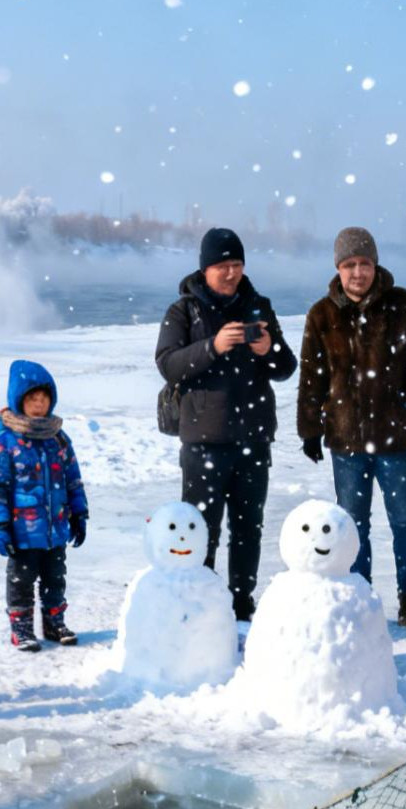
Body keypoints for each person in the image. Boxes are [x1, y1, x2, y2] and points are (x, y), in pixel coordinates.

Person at [298, 225, 406, 631]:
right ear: (338, 269)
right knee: (351, 526)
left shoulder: (403, 305)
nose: (357, 272)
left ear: (375, 265)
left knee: (405, 523)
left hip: (396, 442)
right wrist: (310, 429)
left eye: (364, 263)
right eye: (349, 265)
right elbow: (312, 377)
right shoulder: (322, 314)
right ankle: (359, 600)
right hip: (345, 442)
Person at [154, 227, 297, 622]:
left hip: (253, 438)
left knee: (248, 527)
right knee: (201, 529)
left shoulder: (259, 306)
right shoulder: (184, 311)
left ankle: (241, 600)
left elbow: (286, 368)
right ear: (206, 268)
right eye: (223, 266)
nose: (231, 273)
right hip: (204, 439)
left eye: (237, 264)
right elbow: (167, 363)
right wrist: (212, 347)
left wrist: (271, 350)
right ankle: (201, 599)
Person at [0, 359, 88, 651]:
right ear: (19, 401)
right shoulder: (5, 441)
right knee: (21, 581)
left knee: (56, 578)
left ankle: (55, 625)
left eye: (44, 398)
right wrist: (0, 525)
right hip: (22, 531)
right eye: (32, 398)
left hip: (56, 528)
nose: (39, 404)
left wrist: (79, 513)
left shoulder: (58, 437)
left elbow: (73, 479)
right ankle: (22, 629)